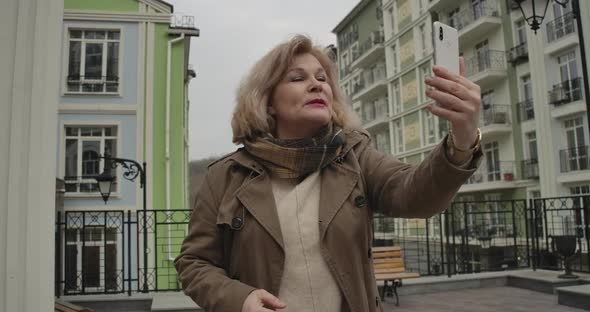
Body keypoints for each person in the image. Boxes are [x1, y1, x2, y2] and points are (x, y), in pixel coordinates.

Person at [175, 34, 482, 312]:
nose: (317, 84)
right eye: (297, 77)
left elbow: (415, 194)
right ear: (268, 103)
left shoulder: (355, 156)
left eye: (322, 78)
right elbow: (194, 263)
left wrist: (463, 139)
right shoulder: (225, 176)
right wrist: (239, 299)